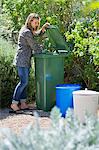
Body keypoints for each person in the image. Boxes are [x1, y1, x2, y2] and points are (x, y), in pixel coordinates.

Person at [11, 13, 50, 111]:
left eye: (38, 23)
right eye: (35, 23)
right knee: (23, 82)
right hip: (22, 60)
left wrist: (43, 29)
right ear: (30, 21)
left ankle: (23, 103)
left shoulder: (28, 30)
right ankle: (14, 103)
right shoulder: (26, 32)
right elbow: (33, 45)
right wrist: (43, 51)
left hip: (25, 60)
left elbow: (36, 34)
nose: (37, 25)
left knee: (25, 82)